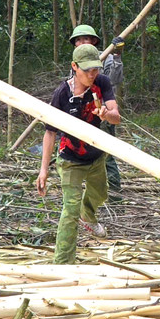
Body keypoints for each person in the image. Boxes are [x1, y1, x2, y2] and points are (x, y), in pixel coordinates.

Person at [38, 43, 122, 264]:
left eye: (95, 69)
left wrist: (106, 115)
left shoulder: (102, 83)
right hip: (70, 159)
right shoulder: (62, 94)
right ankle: (63, 262)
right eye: (87, 71)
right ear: (74, 67)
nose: (92, 75)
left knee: (101, 193)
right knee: (70, 211)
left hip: (95, 155)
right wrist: (43, 170)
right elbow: (49, 133)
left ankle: (89, 213)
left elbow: (116, 116)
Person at [70, 24, 125, 200]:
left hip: (102, 113)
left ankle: (115, 195)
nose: (81, 42)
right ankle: (89, 195)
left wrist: (116, 56)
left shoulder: (105, 59)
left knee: (106, 155)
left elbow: (114, 80)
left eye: (85, 39)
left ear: (94, 41)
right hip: (81, 115)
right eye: (78, 40)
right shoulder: (75, 63)